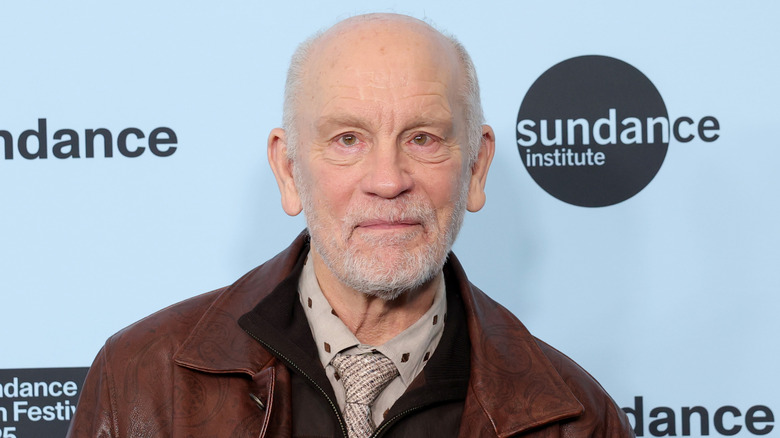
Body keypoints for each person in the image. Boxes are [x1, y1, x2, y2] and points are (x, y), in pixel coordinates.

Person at [68, 13, 634, 438]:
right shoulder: (141, 381)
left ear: (476, 168)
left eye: (422, 138)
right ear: (289, 171)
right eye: (347, 140)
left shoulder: (578, 420)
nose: (388, 181)